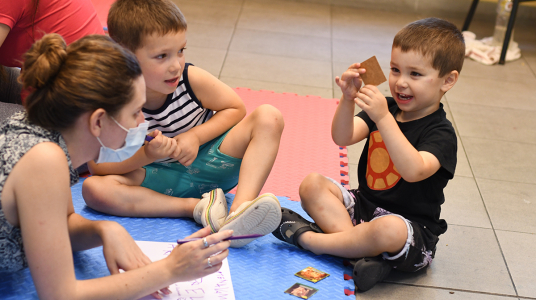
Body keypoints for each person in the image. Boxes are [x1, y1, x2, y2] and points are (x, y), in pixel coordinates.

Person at [0, 33, 232, 300]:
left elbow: (58, 224)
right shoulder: (45, 160)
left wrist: (104, 229)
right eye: (135, 112)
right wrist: (170, 269)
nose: (142, 122)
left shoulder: (48, 139)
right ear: (98, 121)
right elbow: (60, 294)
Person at [273, 17, 463, 292]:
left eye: (415, 74)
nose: (400, 83)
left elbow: (413, 170)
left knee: (388, 229)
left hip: (410, 233)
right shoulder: (385, 107)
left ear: (448, 80)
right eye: (395, 70)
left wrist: (384, 119)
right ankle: (358, 253)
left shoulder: (441, 133)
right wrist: (348, 99)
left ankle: (310, 240)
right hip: (364, 208)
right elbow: (342, 136)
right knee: (312, 184)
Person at [82, 0, 284, 248]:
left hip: (213, 162)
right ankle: (197, 208)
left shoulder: (190, 79)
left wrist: (196, 137)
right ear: (123, 55)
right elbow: (97, 166)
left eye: (180, 51)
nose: (175, 65)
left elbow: (236, 108)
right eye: (161, 56)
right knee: (93, 189)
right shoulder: (114, 100)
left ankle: (238, 213)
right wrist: (146, 154)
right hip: (159, 180)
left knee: (269, 116)